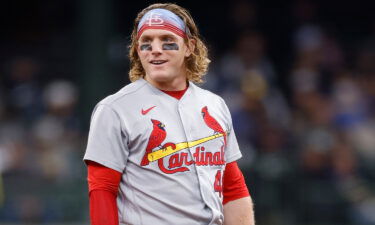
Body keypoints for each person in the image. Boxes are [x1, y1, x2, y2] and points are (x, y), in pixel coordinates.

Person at [84, 3, 255, 225]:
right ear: (137, 50)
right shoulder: (115, 109)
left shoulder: (215, 105)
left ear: (189, 47)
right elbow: (102, 189)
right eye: (146, 43)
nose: (155, 49)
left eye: (167, 41)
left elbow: (231, 187)